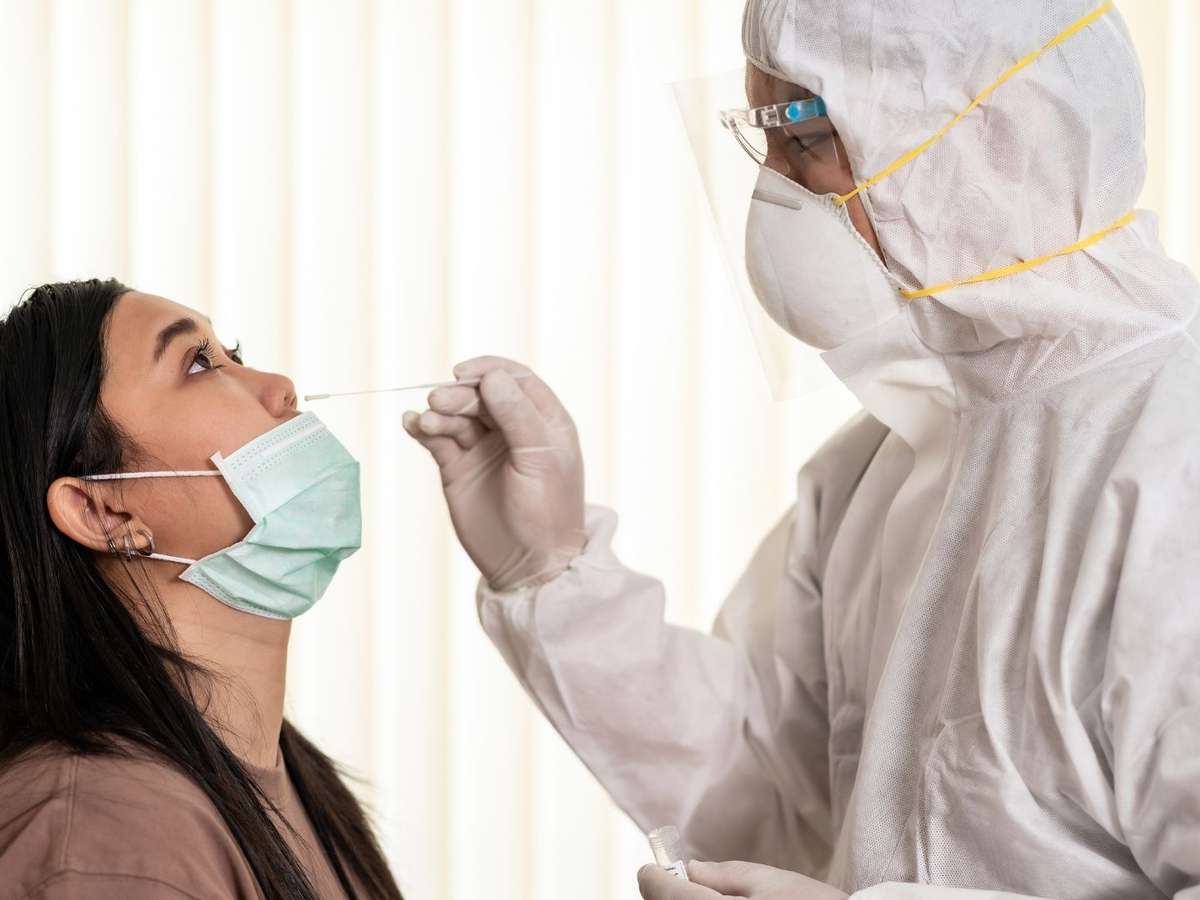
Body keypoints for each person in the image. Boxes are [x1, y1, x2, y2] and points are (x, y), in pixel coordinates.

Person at [405, 0, 1200, 896]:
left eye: (809, 137)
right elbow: (779, 796)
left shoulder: (1172, 465)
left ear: (1004, 135)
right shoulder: (892, 458)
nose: (774, 192)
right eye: (765, 140)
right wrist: (553, 576)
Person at [0, 279, 403, 899]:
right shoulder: (110, 839)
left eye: (231, 354)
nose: (280, 387)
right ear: (103, 512)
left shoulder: (280, 779)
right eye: (198, 362)